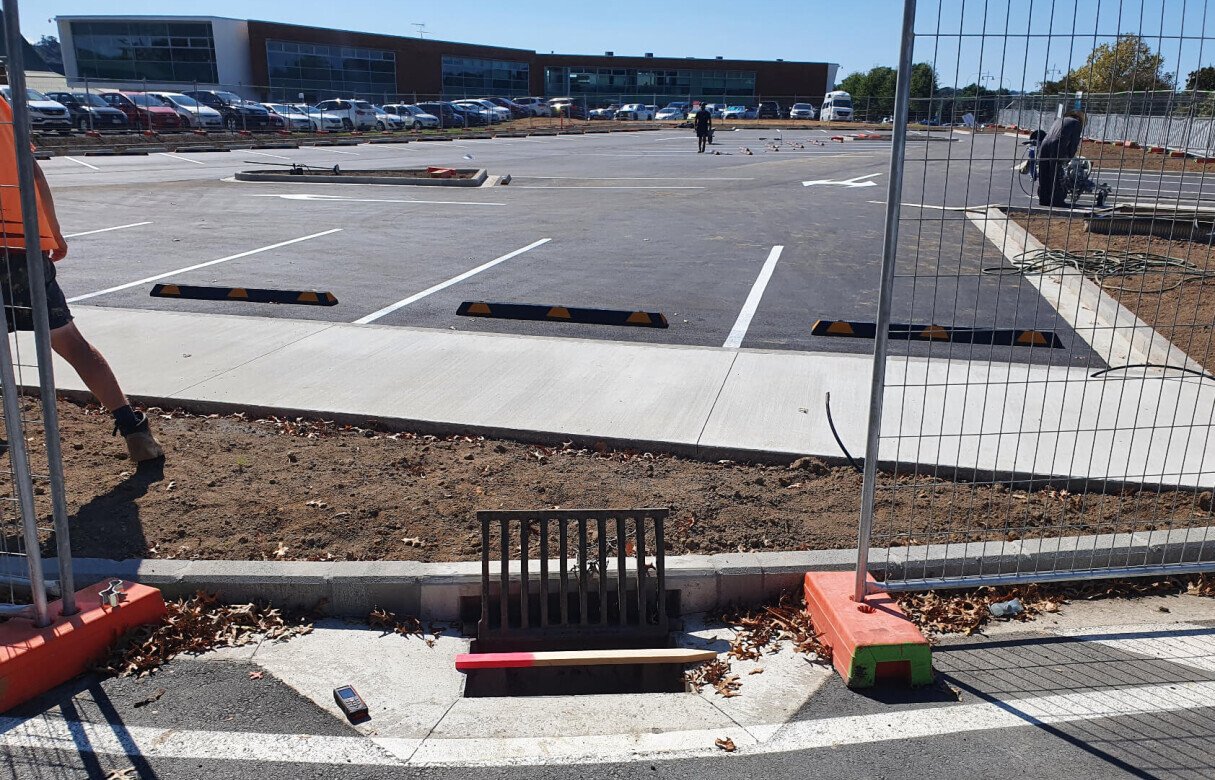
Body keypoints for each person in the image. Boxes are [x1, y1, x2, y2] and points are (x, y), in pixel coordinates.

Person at [0, 95, 163, 461]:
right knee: (70, 342)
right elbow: (32, 173)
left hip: (17, 240)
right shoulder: (2, 108)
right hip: (18, 241)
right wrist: (53, 232)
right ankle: (133, 430)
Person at [1036, 110, 1085, 208]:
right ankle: (1057, 200)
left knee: (1044, 172)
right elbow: (1074, 143)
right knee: (1056, 173)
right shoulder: (1076, 123)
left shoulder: (1059, 120)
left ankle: (1044, 199)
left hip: (1045, 143)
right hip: (1057, 144)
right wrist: (1069, 156)